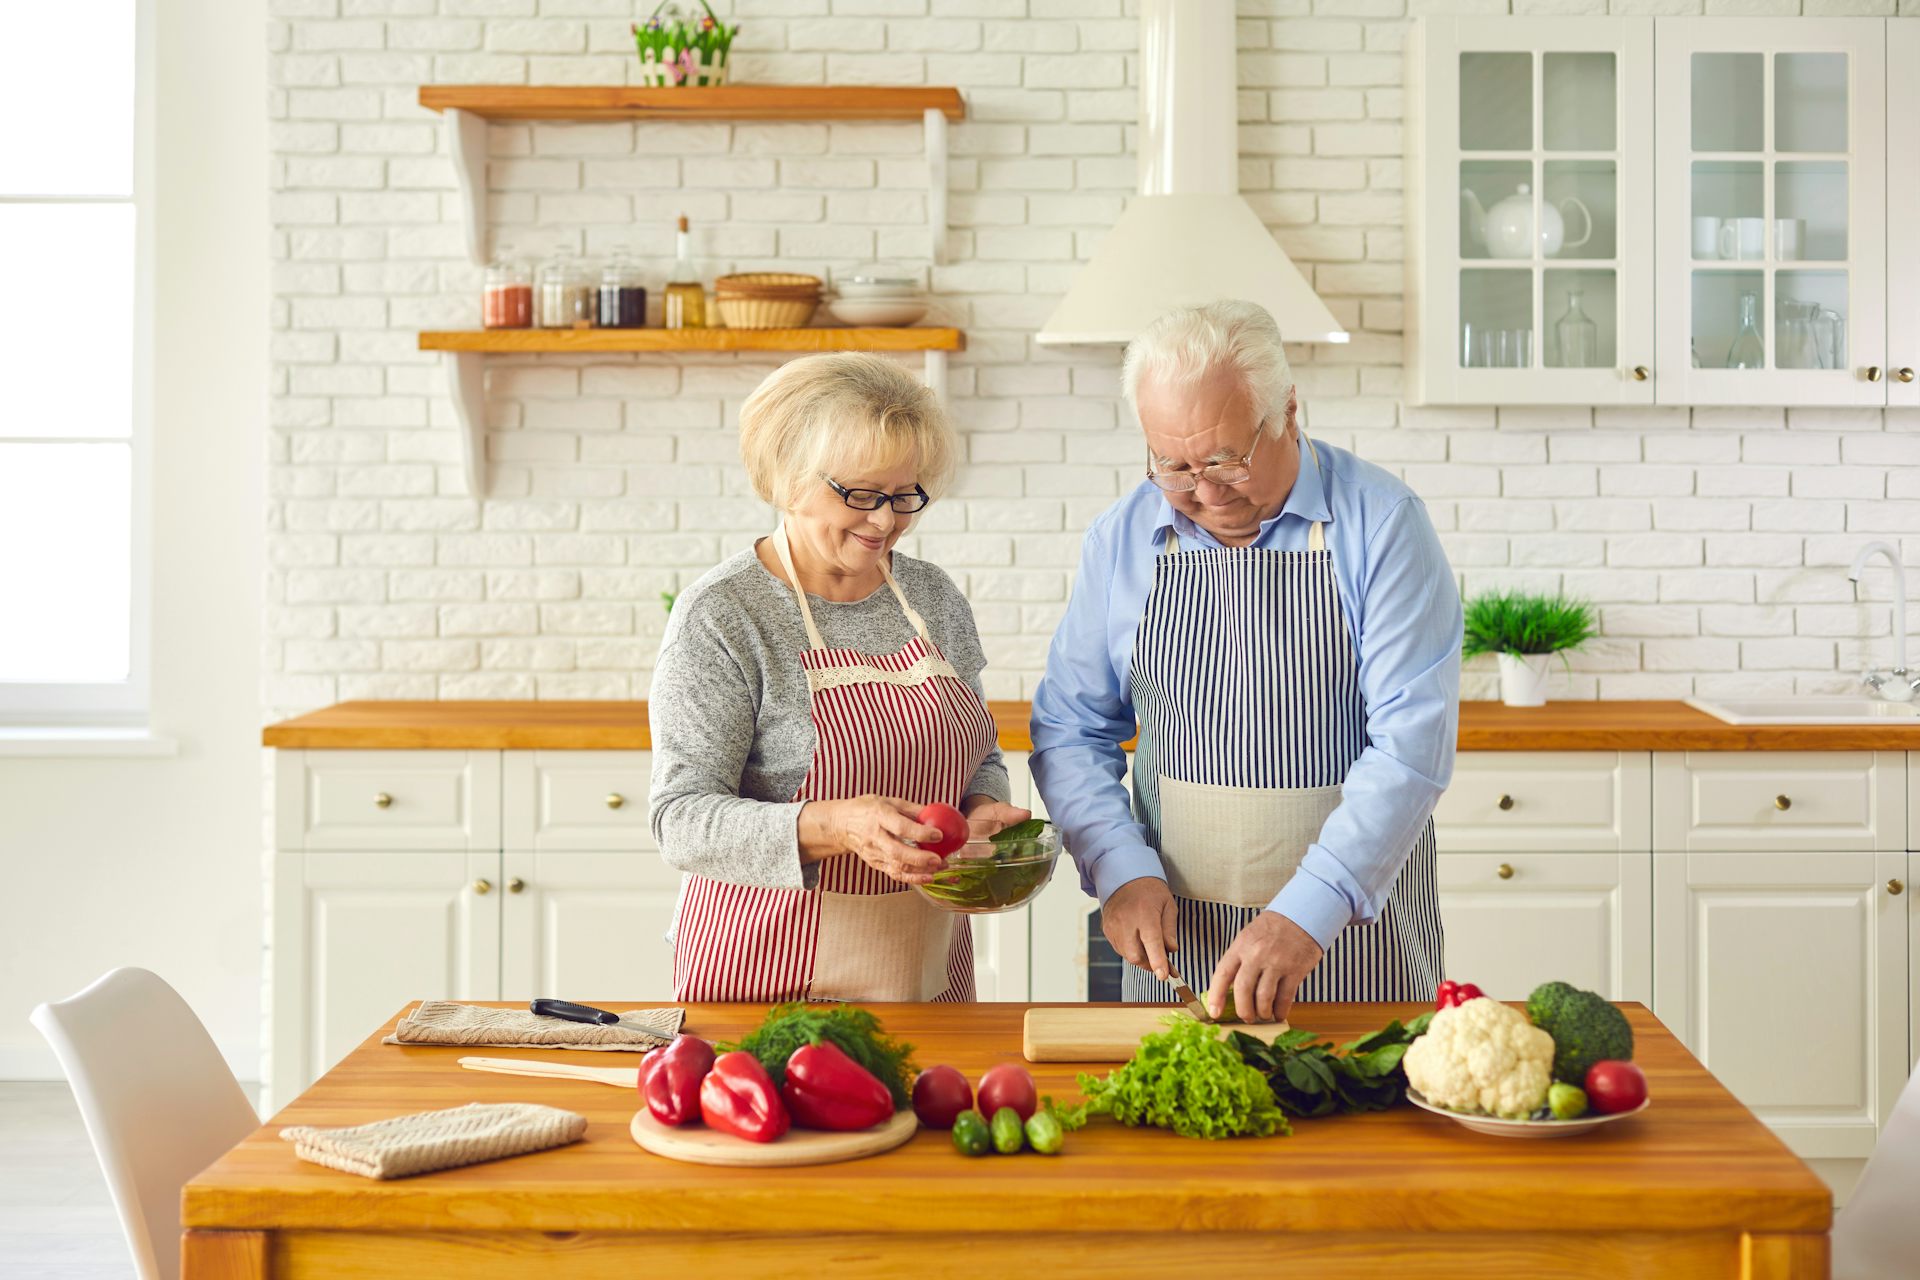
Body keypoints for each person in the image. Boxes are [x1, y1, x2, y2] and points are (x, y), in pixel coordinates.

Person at [1029, 300, 1461, 1024]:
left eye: (1226, 459)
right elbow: (1072, 728)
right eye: (1172, 465)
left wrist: (1308, 912)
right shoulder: (1124, 537)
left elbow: (1410, 749)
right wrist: (1118, 869)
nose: (1203, 492)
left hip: (1351, 941)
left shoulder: (1382, 525)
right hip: (1178, 949)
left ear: (1290, 411)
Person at [649, 352, 1028, 1002]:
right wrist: (836, 826)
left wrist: (981, 808)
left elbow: (979, 752)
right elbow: (680, 820)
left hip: (923, 972)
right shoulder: (726, 614)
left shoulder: (931, 597)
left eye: (905, 494)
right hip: (765, 977)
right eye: (859, 495)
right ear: (787, 478)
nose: (886, 521)